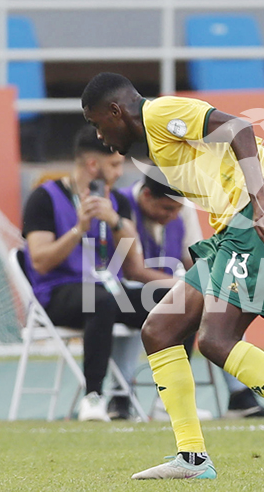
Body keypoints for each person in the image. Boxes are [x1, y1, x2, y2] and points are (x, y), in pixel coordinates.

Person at [81, 72, 264, 480]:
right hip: (235, 229)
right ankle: (192, 457)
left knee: (216, 341)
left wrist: (258, 198)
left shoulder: (161, 114)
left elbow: (240, 128)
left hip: (257, 222)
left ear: (115, 111)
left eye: (96, 123)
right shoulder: (148, 151)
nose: (98, 135)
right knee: (159, 331)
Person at [22, 126, 175, 422]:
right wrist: (79, 228)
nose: (120, 172)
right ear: (94, 165)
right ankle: (93, 397)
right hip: (57, 294)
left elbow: (133, 262)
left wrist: (116, 221)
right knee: (99, 299)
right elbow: (40, 262)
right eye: (116, 164)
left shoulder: (118, 202)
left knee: (180, 301)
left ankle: (169, 399)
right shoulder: (44, 198)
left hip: (107, 291)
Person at [116, 174, 264, 419]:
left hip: (163, 292)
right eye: (167, 208)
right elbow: (132, 271)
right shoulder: (121, 204)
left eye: (178, 209)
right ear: (146, 195)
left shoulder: (181, 208)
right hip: (123, 293)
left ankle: (239, 394)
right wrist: (185, 286)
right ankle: (124, 394)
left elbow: (194, 262)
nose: (173, 215)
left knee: (222, 301)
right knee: (183, 302)